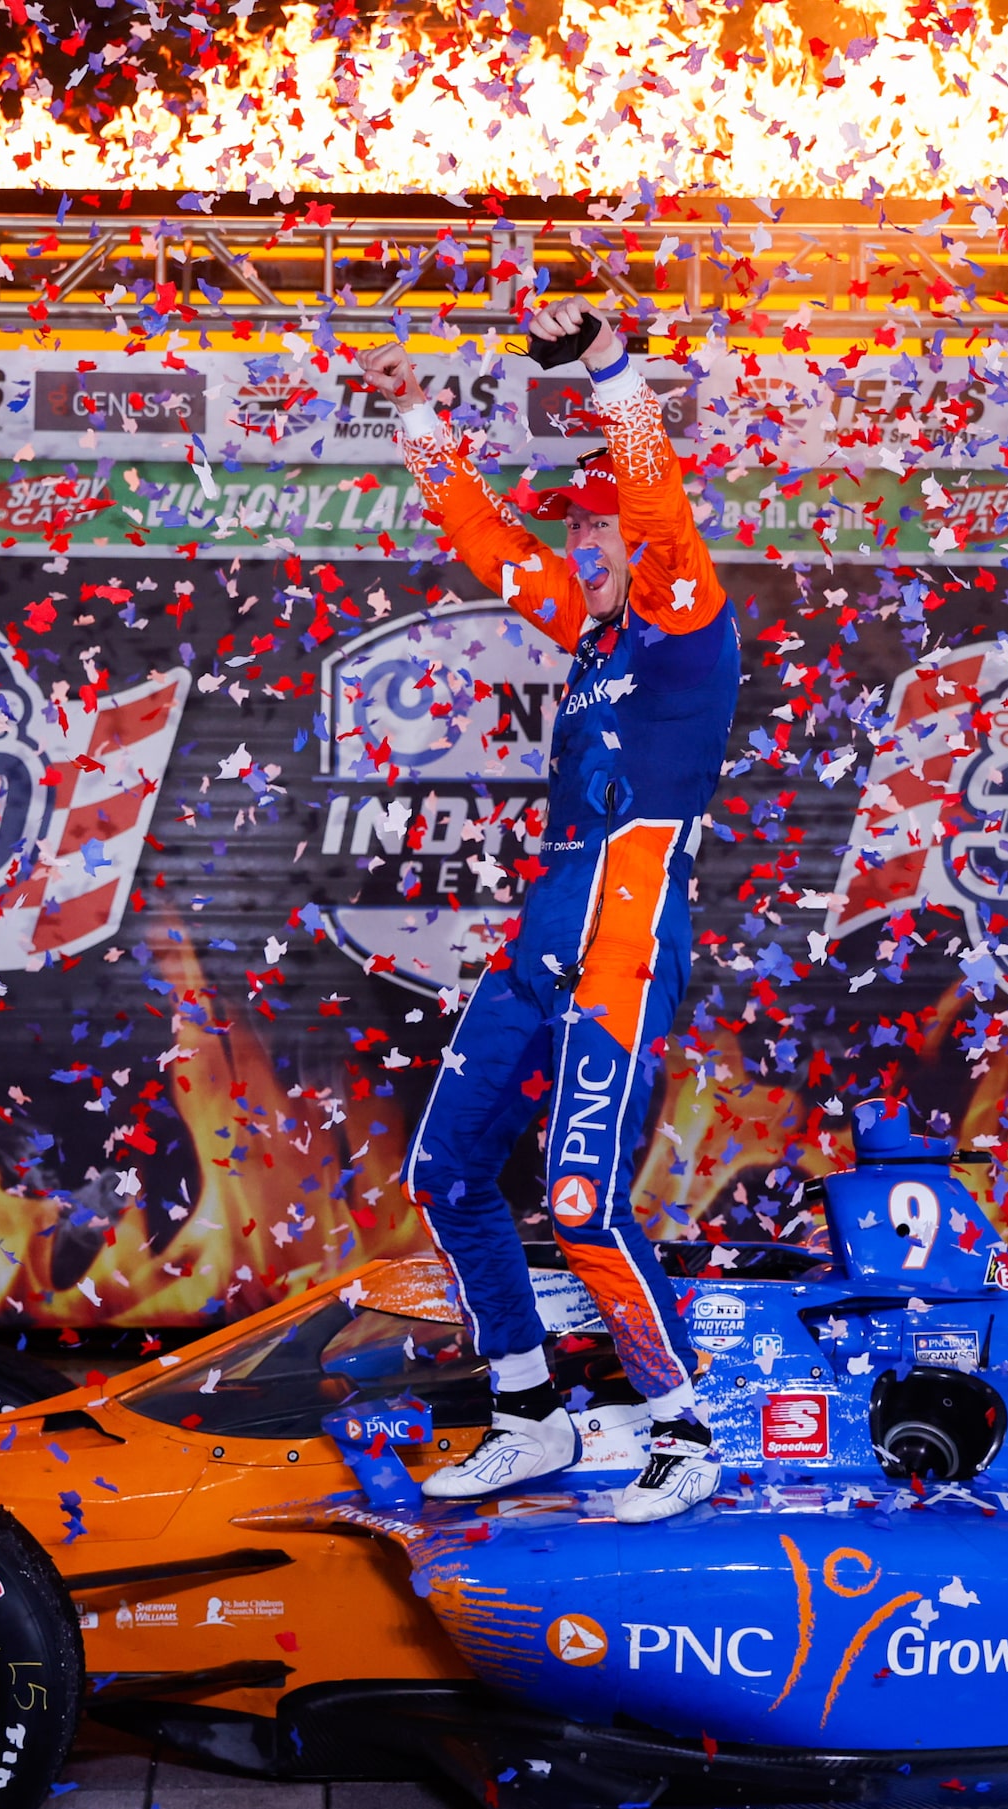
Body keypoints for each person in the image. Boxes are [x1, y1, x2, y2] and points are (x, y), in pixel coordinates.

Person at [359, 303, 737, 1523]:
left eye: (594, 527)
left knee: (579, 1204)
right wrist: (410, 413)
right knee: (447, 1171)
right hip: (544, 937)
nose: (581, 546)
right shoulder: (589, 630)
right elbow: (481, 534)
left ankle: (683, 1434)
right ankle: (529, 1411)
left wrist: (609, 370)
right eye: (577, 529)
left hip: (627, 939)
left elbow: (656, 500)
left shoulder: (684, 625)